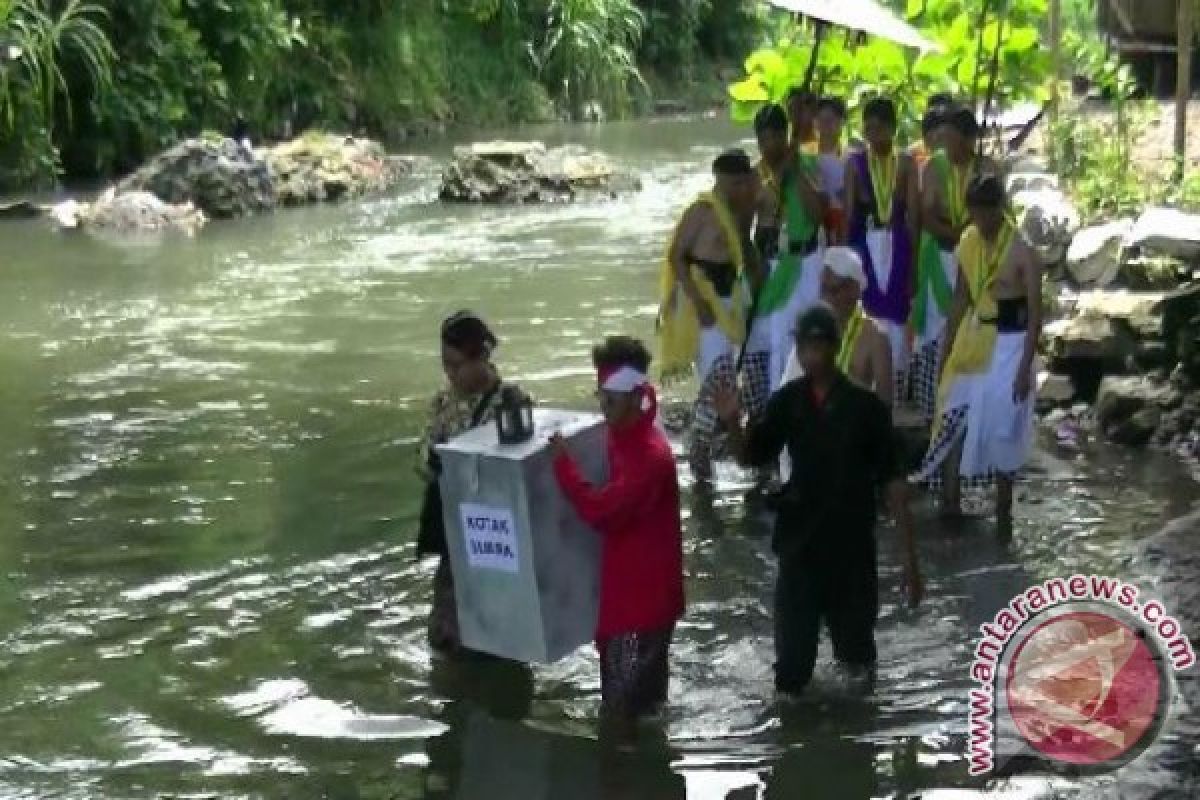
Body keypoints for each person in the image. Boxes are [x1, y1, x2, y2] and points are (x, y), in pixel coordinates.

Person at [714, 306, 924, 697]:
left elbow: (894, 488)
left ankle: (858, 739)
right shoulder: (787, 402)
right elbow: (749, 456)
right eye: (805, 346)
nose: (812, 355)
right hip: (799, 548)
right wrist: (731, 421)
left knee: (858, 662)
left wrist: (910, 565)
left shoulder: (866, 409)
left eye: (820, 345)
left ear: (835, 346)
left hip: (852, 552)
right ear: (798, 348)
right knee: (791, 671)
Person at [551, 336, 685, 729]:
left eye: (609, 400)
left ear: (634, 396)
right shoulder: (619, 435)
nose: (602, 408)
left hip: (641, 608)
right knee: (641, 708)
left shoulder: (650, 456)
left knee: (620, 715)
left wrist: (564, 468)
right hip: (628, 598)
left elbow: (602, 510)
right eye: (600, 396)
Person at [912, 175, 1041, 538]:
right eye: (975, 213)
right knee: (951, 413)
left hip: (1010, 345)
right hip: (974, 337)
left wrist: (1023, 369)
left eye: (987, 212)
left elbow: (1035, 317)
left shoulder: (1021, 250)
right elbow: (960, 300)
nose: (980, 220)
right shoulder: (968, 241)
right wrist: (947, 350)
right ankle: (949, 504)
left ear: (999, 209)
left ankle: (1004, 514)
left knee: (1003, 430)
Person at [657, 149, 766, 485]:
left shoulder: (735, 211)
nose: (742, 188)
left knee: (721, 381)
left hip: (726, 303)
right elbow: (676, 258)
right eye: (738, 183)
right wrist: (698, 302)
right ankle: (699, 452)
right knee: (718, 380)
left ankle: (701, 452)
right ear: (725, 181)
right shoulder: (702, 211)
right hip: (704, 308)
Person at [415, 311, 504, 655]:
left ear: (481, 357)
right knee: (446, 636)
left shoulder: (510, 403)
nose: (450, 374)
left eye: (456, 365)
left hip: (494, 534)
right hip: (453, 531)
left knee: (497, 634)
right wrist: (434, 461)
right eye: (445, 365)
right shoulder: (443, 401)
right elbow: (420, 457)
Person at [911, 108, 990, 423]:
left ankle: (966, 405)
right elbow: (927, 214)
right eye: (945, 139)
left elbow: (997, 214)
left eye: (955, 139)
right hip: (940, 254)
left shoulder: (986, 168)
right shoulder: (934, 167)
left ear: (970, 140)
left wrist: (969, 238)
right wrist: (956, 235)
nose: (948, 146)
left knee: (966, 327)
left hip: (975, 256)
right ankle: (933, 407)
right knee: (934, 331)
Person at [844, 96, 921, 407]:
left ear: (892, 128)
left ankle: (895, 393)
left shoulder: (905, 163)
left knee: (898, 316)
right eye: (868, 128)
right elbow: (850, 216)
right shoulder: (855, 163)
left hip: (897, 240)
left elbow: (914, 216)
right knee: (869, 312)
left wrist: (914, 264)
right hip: (867, 243)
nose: (873, 134)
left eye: (879, 128)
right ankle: (864, 391)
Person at [754, 104, 827, 391]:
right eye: (763, 139)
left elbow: (817, 214)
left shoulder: (806, 166)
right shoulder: (755, 176)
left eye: (774, 137)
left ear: (785, 136)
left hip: (808, 260)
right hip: (777, 265)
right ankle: (780, 401)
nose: (769, 145)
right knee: (780, 340)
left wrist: (795, 174)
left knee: (812, 333)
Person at [815, 95, 849, 244]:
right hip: (818, 229)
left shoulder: (851, 157)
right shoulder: (807, 159)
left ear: (842, 122)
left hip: (846, 227)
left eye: (831, 119)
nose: (826, 125)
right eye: (821, 120)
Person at [786, 87, 819, 155]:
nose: (795, 113)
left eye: (800, 108)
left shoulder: (823, 148)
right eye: (790, 109)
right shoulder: (784, 146)